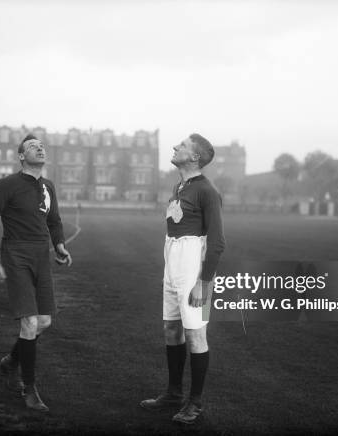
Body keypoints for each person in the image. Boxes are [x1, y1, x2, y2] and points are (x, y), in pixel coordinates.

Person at [0, 134, 72, 412]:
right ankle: (29, 390)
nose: (39, 148)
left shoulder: (48, 186)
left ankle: (11, 362)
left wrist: (60, 246)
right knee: (29, 323)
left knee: (43, 322)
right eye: (32, 146)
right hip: (16, 254)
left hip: (42, 255)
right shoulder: (6, 185)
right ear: (21, 156)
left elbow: (54, 221)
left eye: (41, 145)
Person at [140, 133, 225, 424]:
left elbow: (217, 243)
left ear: (195, 157)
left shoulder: (207, 191)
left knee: (195, 333)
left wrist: (205, 282)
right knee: (171, 329)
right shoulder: (179, 187)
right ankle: (174, 393)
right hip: (172, 260)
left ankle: (196, 403)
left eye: (183, 146)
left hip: (194, 266)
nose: (176, 147)